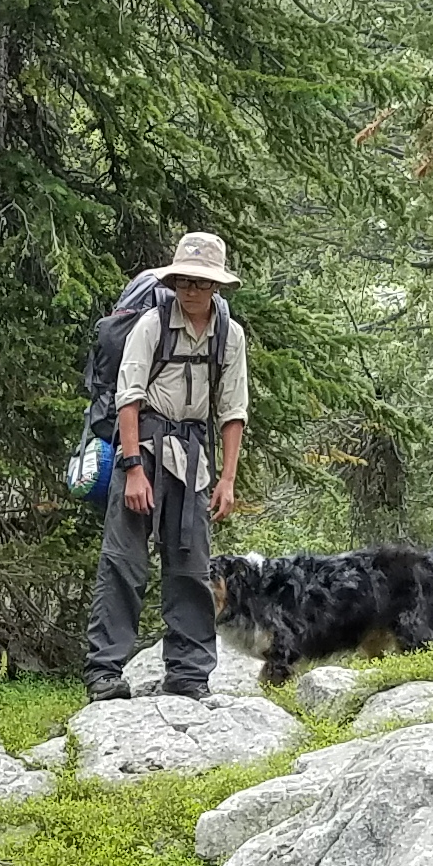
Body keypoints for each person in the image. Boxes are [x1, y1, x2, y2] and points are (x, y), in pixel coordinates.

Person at [83, 229, 249, 701]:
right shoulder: (151, 325)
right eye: (184, 281)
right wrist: (132, 468)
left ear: (216, 286)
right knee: (123, 563)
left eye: (200, 282)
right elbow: (128, 399)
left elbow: (233, 410)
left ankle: (189, 674)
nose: (190, 290)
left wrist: (228, 480)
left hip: (194, 460)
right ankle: (104, 674)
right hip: (145, 449)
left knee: (191, 566)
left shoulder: (229, 336)